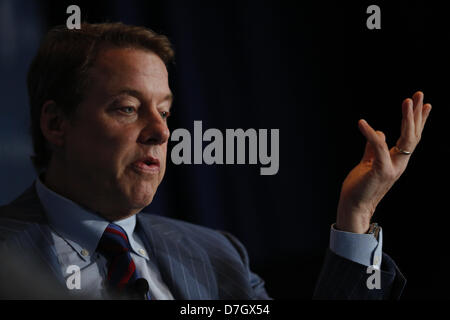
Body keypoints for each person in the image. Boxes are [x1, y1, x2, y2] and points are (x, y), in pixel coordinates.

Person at [0, 22, 431, 300]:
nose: (161, 131)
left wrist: (355, 217)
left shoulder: (218, 255)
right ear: (57, 124)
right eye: (128, 108)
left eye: (165, 111)